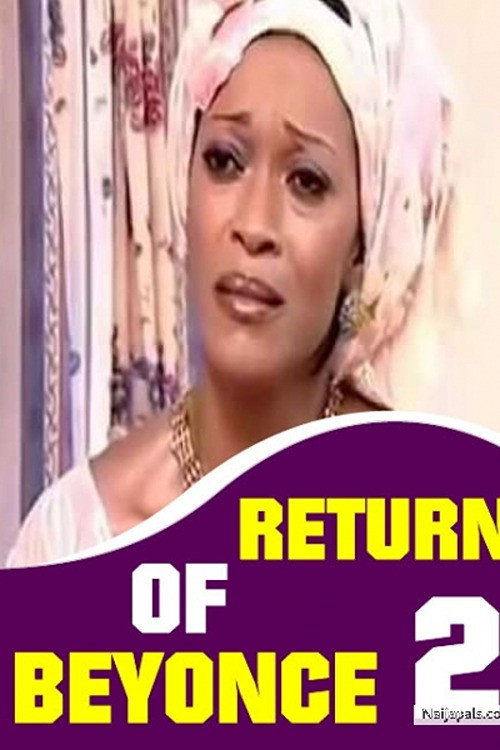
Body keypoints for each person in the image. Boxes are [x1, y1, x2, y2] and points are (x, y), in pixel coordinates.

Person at [6, 0, 455, 566]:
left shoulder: (435, 530)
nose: (253, 224)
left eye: (307, 182)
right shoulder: (74, 538)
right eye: (224, 161)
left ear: (364, 244)